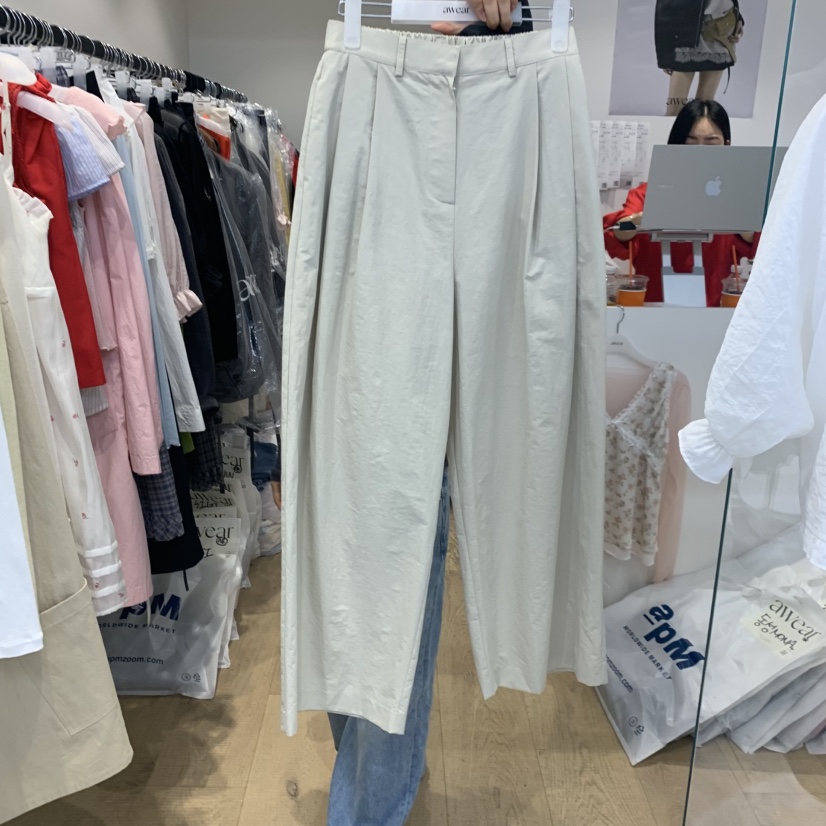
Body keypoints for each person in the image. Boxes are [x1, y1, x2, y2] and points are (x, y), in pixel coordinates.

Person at [273, 3, 533, 824]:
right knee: (359, 518)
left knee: (395, 525)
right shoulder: (361, 76)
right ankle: (370, 781)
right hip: (373, 87)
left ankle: (368, 798)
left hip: (503, 99)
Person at [603, 99, 760, 308]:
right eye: (690, 143)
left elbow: (761, 247)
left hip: (713, 310)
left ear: (727, 145)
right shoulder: (647, 194)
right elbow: (616, 235)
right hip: (652, 308)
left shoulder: (735, 198)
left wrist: (741, 222)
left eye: (711, 143)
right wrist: (645, 218)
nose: (700, 152)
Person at [655, 0, 745, 115]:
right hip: (685, 34)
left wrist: (737, 18)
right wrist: (665, 54)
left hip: (721, 29)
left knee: (705, 109)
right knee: (674, 111)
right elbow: (666, 6)